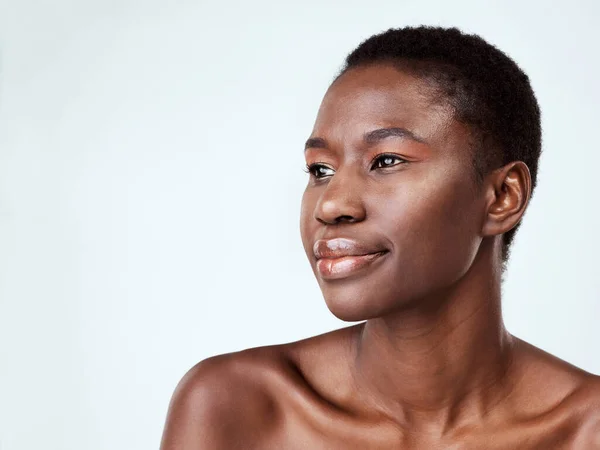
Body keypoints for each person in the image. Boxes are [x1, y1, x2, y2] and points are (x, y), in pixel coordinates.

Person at [160, 26, 600, 449]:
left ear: (502, 197)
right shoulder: (237, 407)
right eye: (321, 170)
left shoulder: (586, 430)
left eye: (386, 161)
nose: (330, 205)